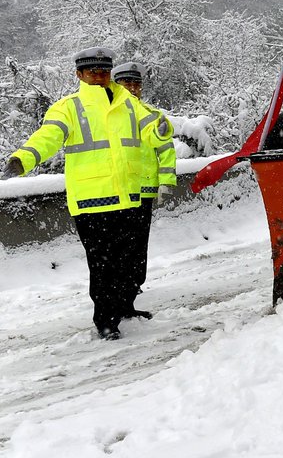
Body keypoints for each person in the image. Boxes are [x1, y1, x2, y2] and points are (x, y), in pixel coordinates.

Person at [1, 47, 173, 340]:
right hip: (92, 200)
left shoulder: (129, 104)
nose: (99, 77)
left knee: (129, 260)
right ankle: (106, 321)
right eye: (92, 72)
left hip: (130, 196)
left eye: (104, 72)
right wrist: (24, 158)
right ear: (79, 74)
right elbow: (47, 137)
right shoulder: (68, 107)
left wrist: (161, 127)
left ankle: (125, 307)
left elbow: (156, 134)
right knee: (103, 264)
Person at [112, 60, 176, 317]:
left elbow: (166, 151)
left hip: (144, 192)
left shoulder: (152, 115)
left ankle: (131, 293)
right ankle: (117, 301)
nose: (132, 87)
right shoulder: (109, 116)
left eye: (136, 83)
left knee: (137, 247)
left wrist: (167, 182)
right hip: (116, 191)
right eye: (126, 82)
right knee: (117, 249)